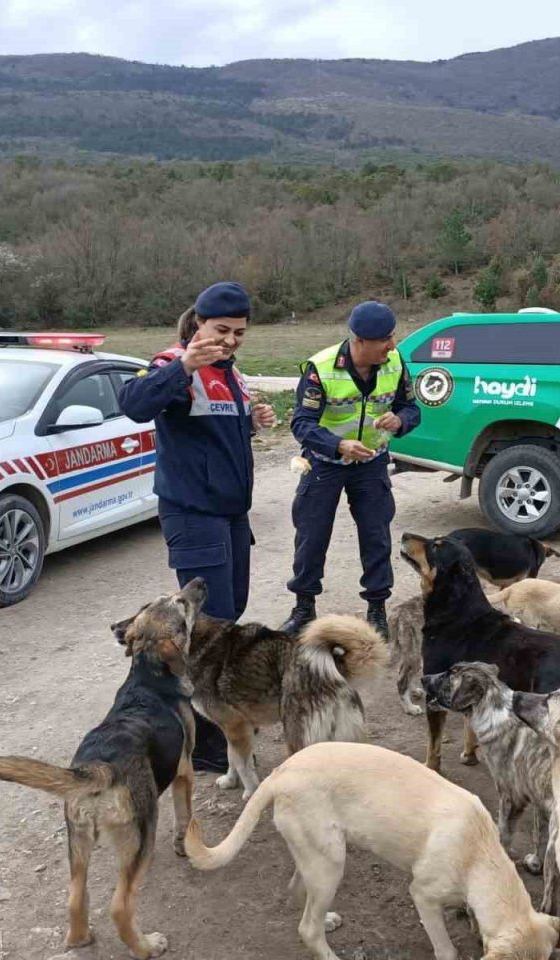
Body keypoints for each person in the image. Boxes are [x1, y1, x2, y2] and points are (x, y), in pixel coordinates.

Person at [118, 281, 276, 772]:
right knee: (210, 629)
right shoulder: (172, 364)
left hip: (230, 513)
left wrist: (253, 420)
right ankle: (207, 739)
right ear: (198, 324)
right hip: (193, 512)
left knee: (231, 612)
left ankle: (221, 724)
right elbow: (134, 403)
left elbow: (212, 433)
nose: (230, 340)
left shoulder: (231, 374)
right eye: (221, 330)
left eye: (239, 333)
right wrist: (187, 363)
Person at [279, 301, 421, 638]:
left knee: (376, 535)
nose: (392, 345)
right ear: (360, 341)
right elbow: (301, 423)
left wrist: (400, 420)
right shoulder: (321, 368)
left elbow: (411, 408)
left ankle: (376, 608)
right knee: (311, 535)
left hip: (371, 461)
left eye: (392, 337)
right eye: (385, 339)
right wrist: (338, 445)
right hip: (324, 463)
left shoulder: (395, 364)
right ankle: (304, 607)